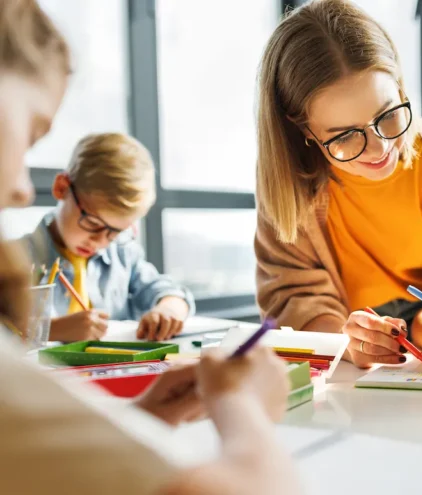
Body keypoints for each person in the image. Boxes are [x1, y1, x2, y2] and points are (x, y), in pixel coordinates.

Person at [0, 1, 299, 493]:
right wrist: (244, 408)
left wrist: (144, 417)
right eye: (29, 134)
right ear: (63, 190)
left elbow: (45, 462)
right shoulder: (23, 257)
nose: (17, 189)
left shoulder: (120, 258)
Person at [255, 0, 422, 369]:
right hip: (342, 357)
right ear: (303, 129)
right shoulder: (289, 183)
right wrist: (346, 343)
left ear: (399, 85)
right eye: (345, 136)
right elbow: (291, 297)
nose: (381, 148)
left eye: (387, 114)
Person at [21, 133, 195, 342]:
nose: (101, 241)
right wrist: (52, 330)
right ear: (62, 188)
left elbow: (168, 291)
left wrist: (169, 310)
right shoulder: (15, 259)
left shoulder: (122, 257)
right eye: (93, 224)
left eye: (116, 232)